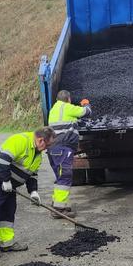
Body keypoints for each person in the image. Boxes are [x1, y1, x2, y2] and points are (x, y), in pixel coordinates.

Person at [0, 127, 55, 259]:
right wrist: (5, 180)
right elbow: (2, 160)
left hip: (9, 184)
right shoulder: (20, 140)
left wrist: (33, 192)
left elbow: (32, 174)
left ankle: (7, 243)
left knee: (8, 210)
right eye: (47, 145)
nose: (47, 149)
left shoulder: (37, 154)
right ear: (41, 140)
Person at [46, 90, 91, 218]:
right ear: (69, 99)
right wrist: (86, 104)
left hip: (53, 149)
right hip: (63, 148)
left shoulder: (54, 109)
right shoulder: (67, 107)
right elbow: (86, 112)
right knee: (65, 176)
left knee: (60, 177)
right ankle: (59, 209)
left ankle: (58, 204)